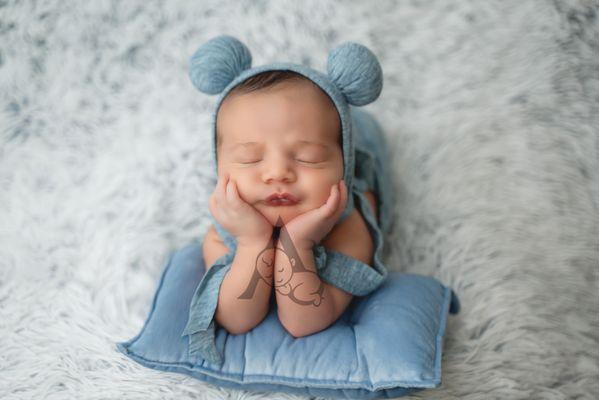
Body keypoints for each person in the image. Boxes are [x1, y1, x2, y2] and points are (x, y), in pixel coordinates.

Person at [182, 35, 395, 365]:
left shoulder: (350, 227)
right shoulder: (224, 231)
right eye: (251, 159)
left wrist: (298, 243)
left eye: (308, 158)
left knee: (359, 130)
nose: (277, 173)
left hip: (359, 138)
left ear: (344, 168)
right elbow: (237, 319)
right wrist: (253, 243)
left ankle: (356, 136)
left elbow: (302, 322)